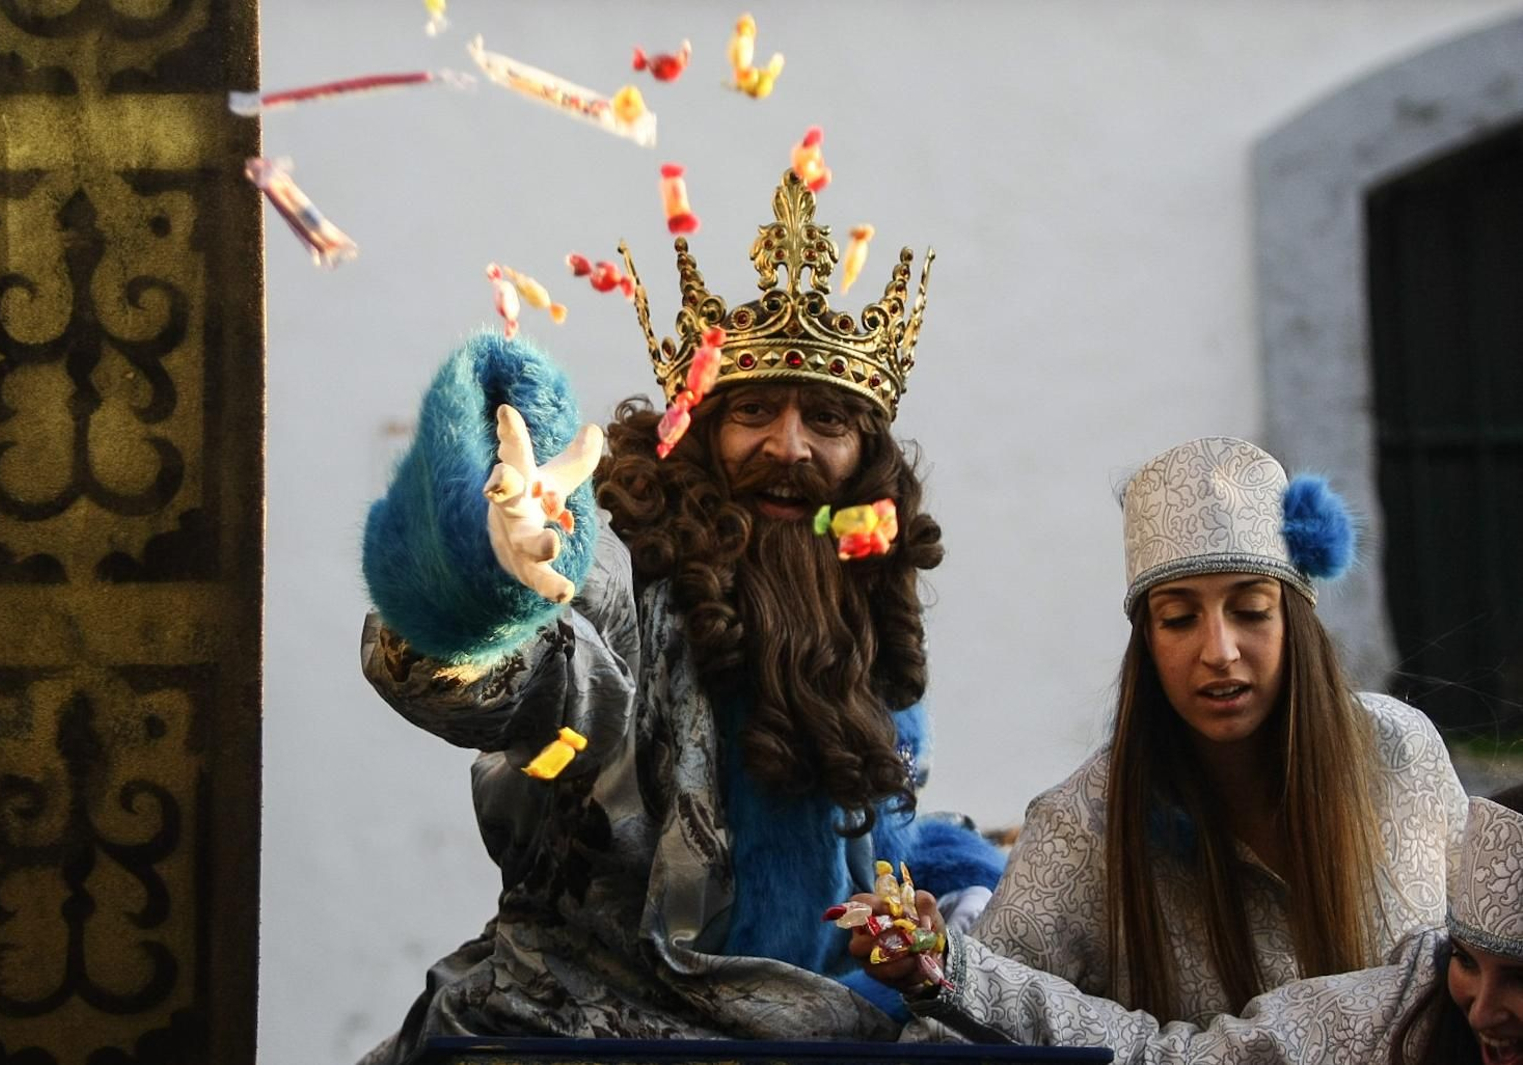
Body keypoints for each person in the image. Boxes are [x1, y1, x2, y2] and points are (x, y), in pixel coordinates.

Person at [354, 169, 1004, 1061]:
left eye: (825, 420)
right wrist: (495, 583)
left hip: (837, 1036)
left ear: (864, 460)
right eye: (752, 413)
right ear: (698, 434)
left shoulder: (862, 622)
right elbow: (514, 677)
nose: (789, 446)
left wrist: (957, 890)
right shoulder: (627, 578)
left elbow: (861, 858)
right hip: (589, 1036)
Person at [968, 436, 1468, 1025]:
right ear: (1146, 644)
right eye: (1178, 619)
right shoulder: (1084, 824)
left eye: (1251, 610)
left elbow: (1492, 957)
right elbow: (961, 1019)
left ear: (1294, 622)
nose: (1219, 651)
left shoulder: (1399, 753)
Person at [843, 788, 1523, 1063]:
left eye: (1519, 975)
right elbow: (1160, 1057)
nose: (1483, 1008)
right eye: (1466, 959)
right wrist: (950, 967)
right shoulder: (1402, 1011)